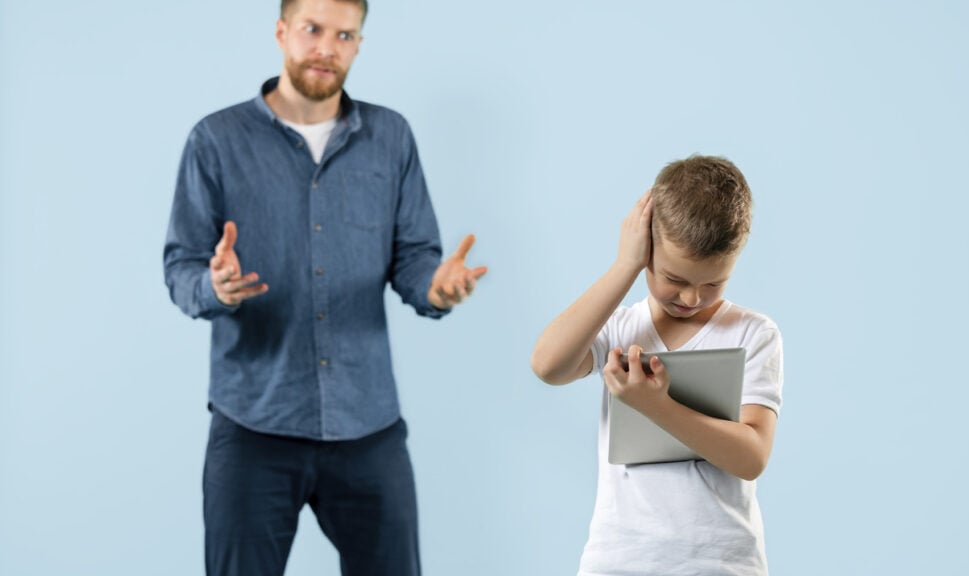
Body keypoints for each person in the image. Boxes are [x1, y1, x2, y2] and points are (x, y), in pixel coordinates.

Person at [163, 1, 487, 574]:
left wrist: (437, 288)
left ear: (358, 44)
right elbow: (181, 268)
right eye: (313, 30)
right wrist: (216, 286)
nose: (326, 47)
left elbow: (414, 259)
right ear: (282, 32)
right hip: (254, 423)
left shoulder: (390, 137)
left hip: (368, 424)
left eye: (344, 35)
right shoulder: (216, 140)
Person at [531, 155, 783, 575]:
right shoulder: (621, 326)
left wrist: (656, 406)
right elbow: (548, 365)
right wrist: (624, 265)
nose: (691, 299)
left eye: (712, 284)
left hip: (721, 564)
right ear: (646, 247)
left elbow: (751, 456)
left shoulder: (753, 334)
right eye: (676, 280)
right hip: (621, 561)